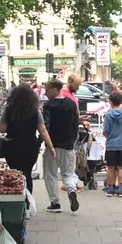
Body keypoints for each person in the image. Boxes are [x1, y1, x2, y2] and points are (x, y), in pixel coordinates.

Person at [40, 80, 81, 213]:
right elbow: (76, 124)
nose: (45, 92)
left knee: (50, 174)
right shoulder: (71, 104)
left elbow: (46, 126)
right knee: (68, 173)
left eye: (47, 89)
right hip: (68, 145)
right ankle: (71, 190)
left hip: (53, 145)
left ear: (56, 89)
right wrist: (73, 140)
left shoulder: (49, 106)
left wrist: (47, 143)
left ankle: (55, 202)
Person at [103, 90, 122, 197]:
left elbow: (106, 131)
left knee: (111, 167)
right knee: (121, 167)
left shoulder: (108, 115)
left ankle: (110, 189)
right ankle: (121, 189)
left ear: (110, 102)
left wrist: (110, 138)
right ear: (120, 101)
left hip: (111, 144)